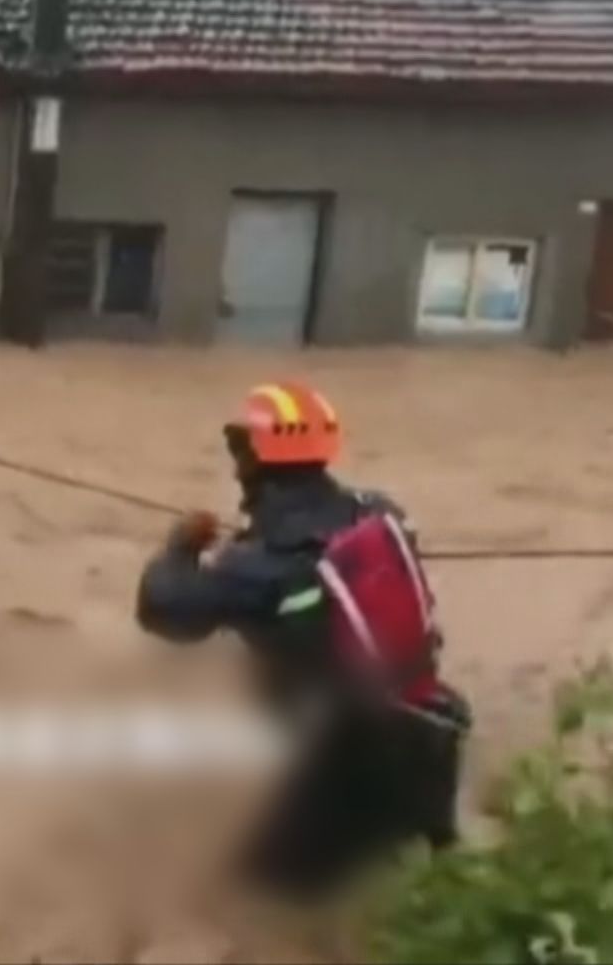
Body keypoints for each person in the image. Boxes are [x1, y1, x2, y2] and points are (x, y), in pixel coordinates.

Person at [136, 381, 471, 901]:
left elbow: (162, 610)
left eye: (239, 447)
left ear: (254, 461)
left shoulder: (254, 568)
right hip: (430, 733)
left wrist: (180, 546)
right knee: (429, 898)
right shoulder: (381, 513)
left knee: (246, 909)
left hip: (342, 767)